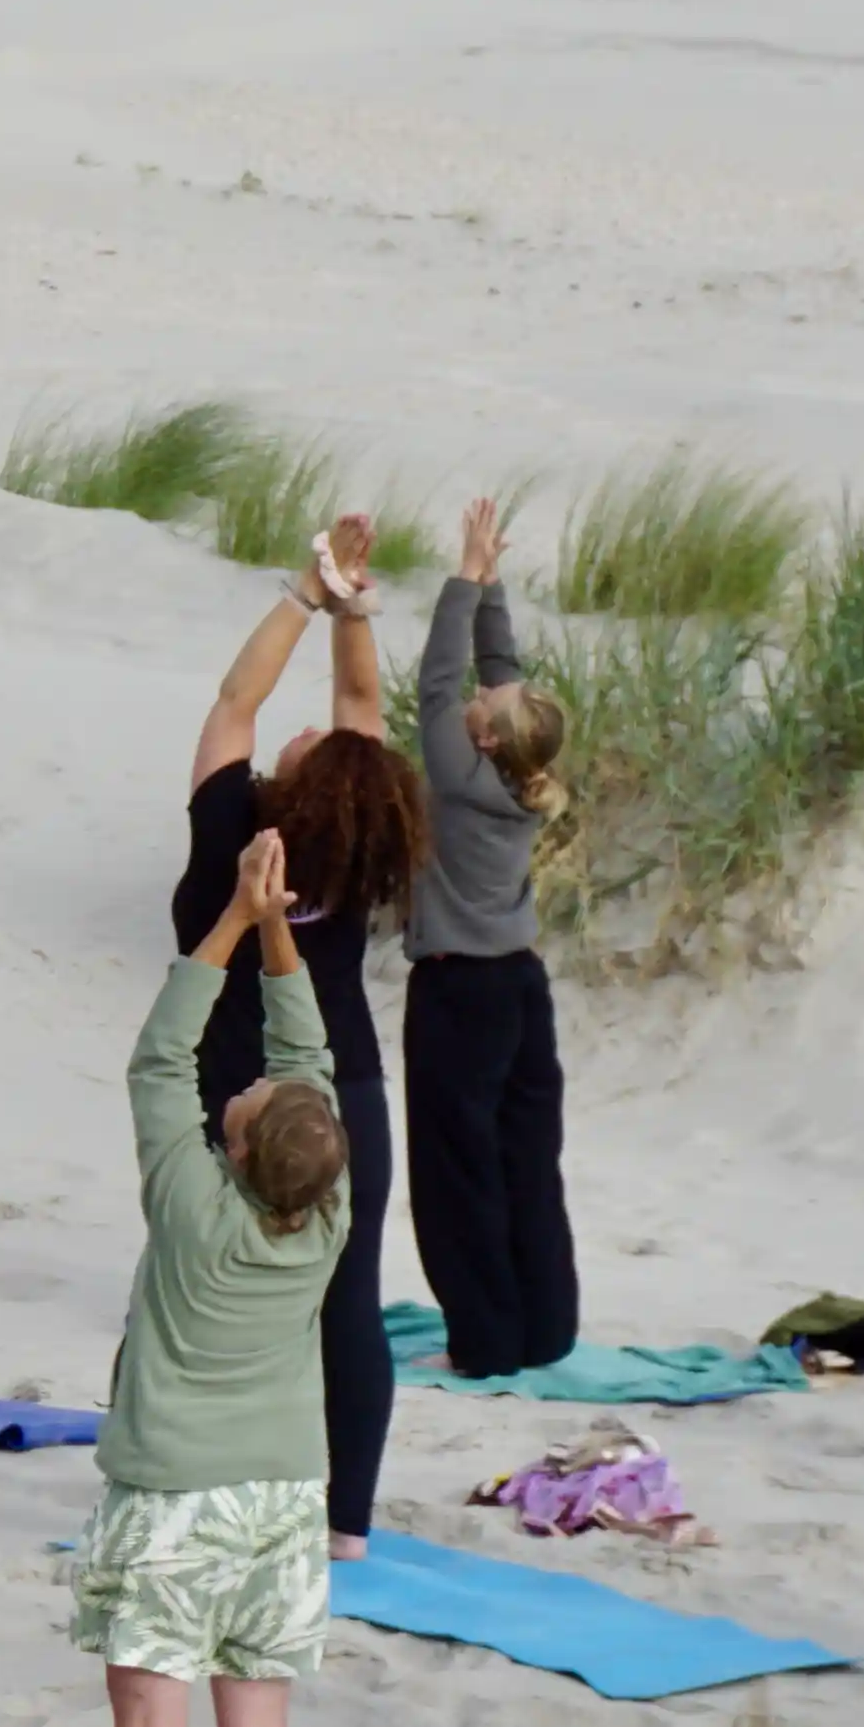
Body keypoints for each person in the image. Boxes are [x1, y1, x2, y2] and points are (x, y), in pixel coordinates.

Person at [70, 829, 345, 1727]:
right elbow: (307, 1048)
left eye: (252, 1101)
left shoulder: (191, 1205)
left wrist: (235, 916)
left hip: (173, 1497)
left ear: (238, 1149)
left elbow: (158, 1057)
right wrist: (276, 921)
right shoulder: (323, 1213)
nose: (256, 1082)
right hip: (283, 1498)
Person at [173, 518, 421, 1552]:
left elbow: (239, 700)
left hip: (236, 1083)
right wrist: (353, 606)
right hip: (344, 1086)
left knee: (201, 1290)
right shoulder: (361, 850)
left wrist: (304, 595)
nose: (322, 732)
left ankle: (201, 1484)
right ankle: (345, 1523)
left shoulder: (232, 828)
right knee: (345, 1302)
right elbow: (359, 709)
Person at [403, 504, 581, 1378]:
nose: (484, 689)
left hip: (459, 990)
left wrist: (462, 581)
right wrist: (491, 579)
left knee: (457, 1168)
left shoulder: (461, 775)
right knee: (525, 1155)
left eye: (488, 704)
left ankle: (485, 1340)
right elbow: (499, 674)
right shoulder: (521, 767)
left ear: (482, 737)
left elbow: (439, 679)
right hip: (520, 986)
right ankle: (544, 1330)